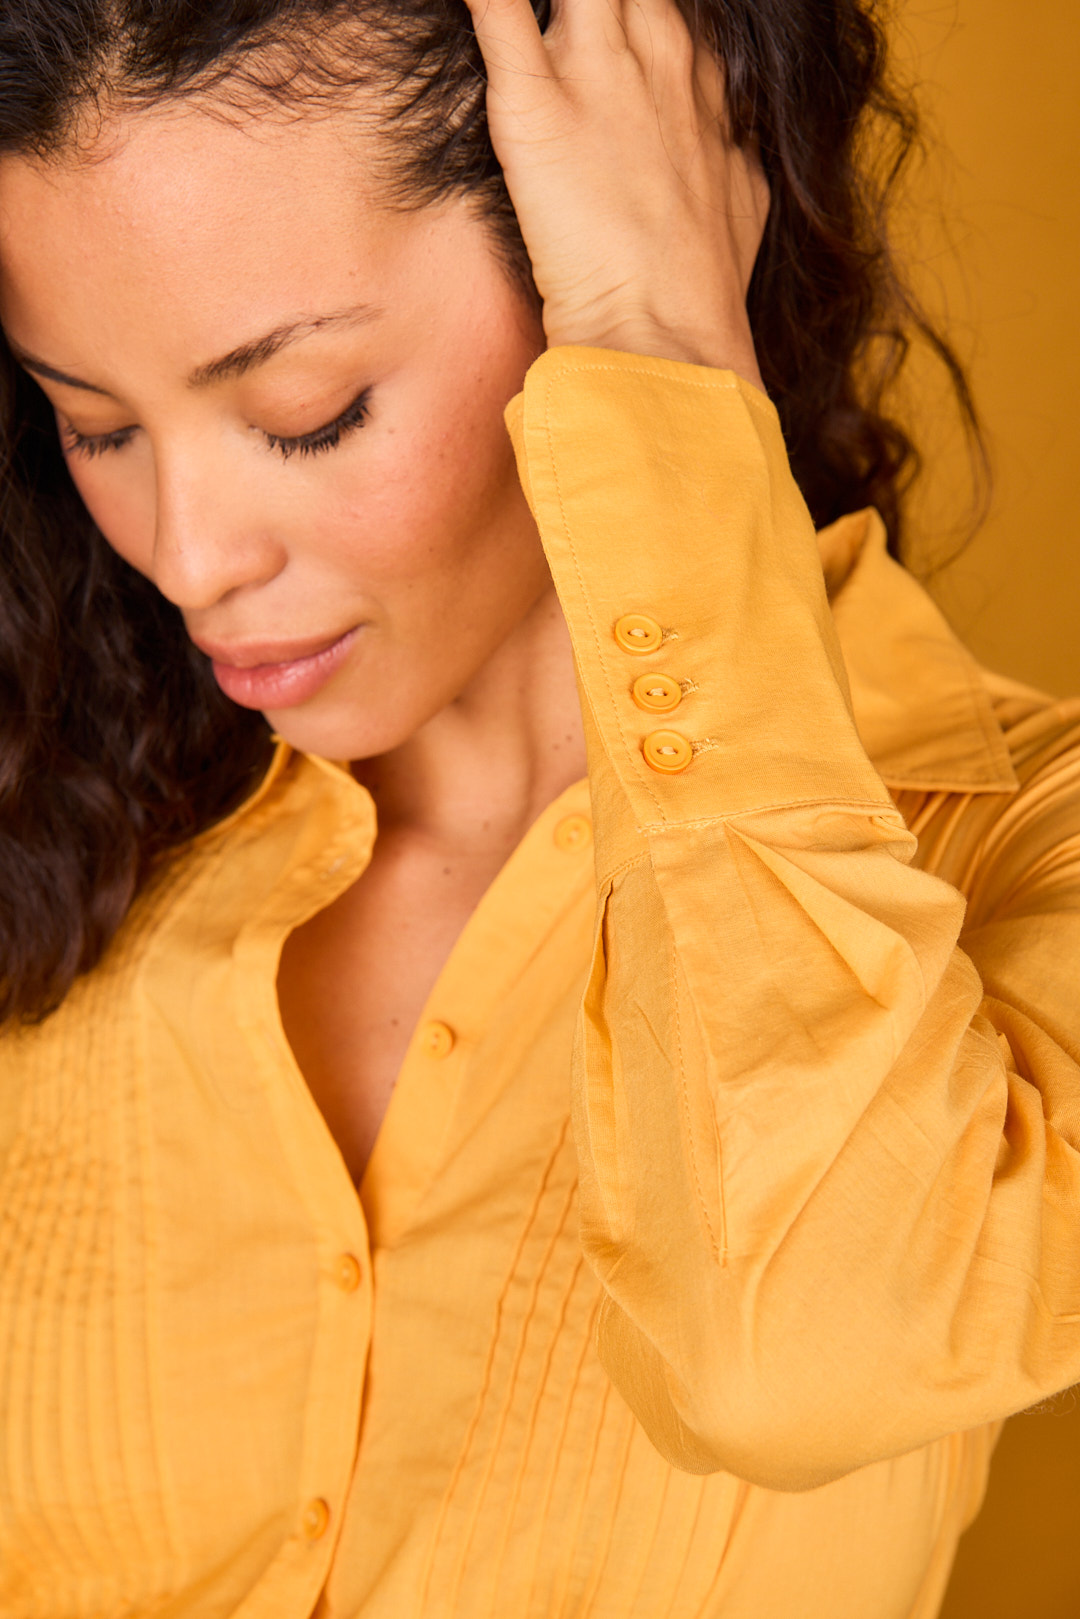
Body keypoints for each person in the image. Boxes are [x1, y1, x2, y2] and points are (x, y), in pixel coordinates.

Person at [0, 0, 1077, 1613]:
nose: (190, 554)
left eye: (307, 411)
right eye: (94, 423)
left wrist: (662, 349)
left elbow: (797, 1359)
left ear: (631, 217)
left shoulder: (1026, 848)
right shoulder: (48, 807)